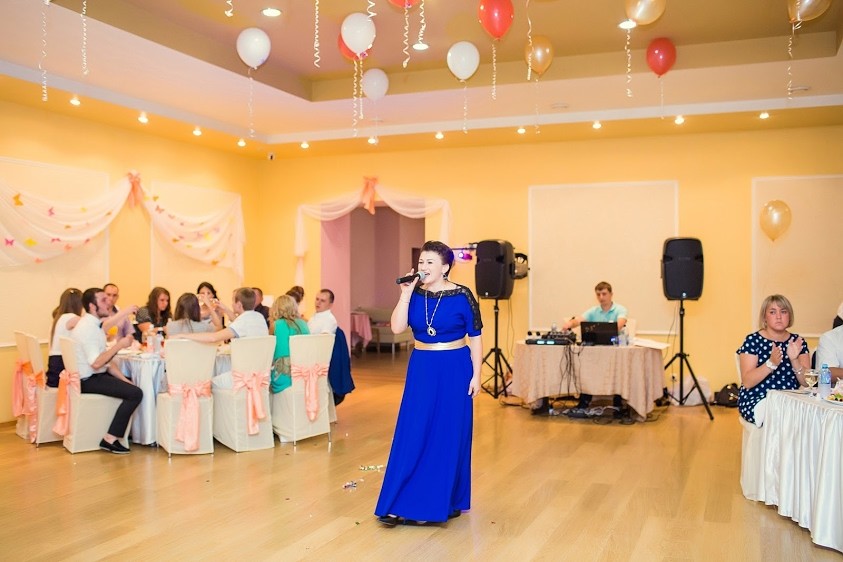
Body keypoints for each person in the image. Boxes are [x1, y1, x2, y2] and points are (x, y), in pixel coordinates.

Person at [375, 240, 483, 526]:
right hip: (422, 367)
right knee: (414, 429)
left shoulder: (463, 295)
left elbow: (475, 337)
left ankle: (440, 501)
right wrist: (405, 294)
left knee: (448, 432)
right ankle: (399, 500)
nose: (423, 267)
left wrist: (477, 374)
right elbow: (397, 327)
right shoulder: (414, 294)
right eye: (421, 262)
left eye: (430, 262)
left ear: (445, 267)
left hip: (455, 367)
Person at [72, 288, 143, 454]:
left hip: (93, 375)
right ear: (92, 306)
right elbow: (97, 363)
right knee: (135, 393)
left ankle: (126, 433)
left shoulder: (93, 325)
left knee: (132, 385)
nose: (109, 302)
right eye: (103, 300)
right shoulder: (88, 329)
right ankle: (110, 438)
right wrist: (120, 345)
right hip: (88, 380)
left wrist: (124, 380)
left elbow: (106, 362)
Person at [737, 294, 809, 425]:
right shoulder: (753, 340)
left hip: (790, 399)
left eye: (783, 311)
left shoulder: (798, 342)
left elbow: (806, 383)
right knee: (781, 416)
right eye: (772, 312)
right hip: (757, 398)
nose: (779, 316)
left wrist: (794, 360)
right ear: (764, 317)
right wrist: (770, 364)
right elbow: (747, 382)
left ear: (789, 316)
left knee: (807, 416)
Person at [176, 287, 269, 389]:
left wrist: (183, 335)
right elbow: (239, 322)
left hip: (242, 378)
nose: (232, 304)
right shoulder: (259, 317)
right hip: (259, 376)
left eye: (233, 301)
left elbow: (214, 338)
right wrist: (225, 308)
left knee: (205, 383)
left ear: (239, 304)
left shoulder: (242, 322)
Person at [561, 281, 628, 418]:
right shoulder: (593, 311)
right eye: (598, 294)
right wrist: (569, 324)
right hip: (596, 351)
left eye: (604, 294)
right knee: (586, 369)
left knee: (618, 370)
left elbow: (619, 325)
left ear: (611, 294)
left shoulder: (620, 309)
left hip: (613, 351)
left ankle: (618, 404)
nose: (601, 297)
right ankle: (584, 402)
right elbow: (578, 320)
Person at [268, 295, 309, 394]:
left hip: (283, 377)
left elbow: (269, 353)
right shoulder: (303, 324)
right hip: (305, 374)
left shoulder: (276, 325)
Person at [46, 288, 84, 388]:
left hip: (54, 366)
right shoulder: (72, 318)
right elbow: (91, 327)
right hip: (62, 368)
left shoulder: (58, 319)